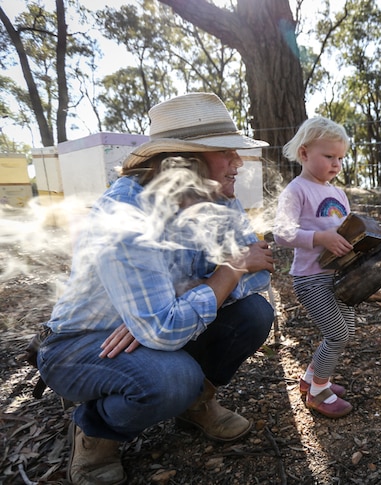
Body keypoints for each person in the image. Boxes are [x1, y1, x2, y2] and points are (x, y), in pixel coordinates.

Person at [36, 93, 275, 485]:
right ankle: (95, 434)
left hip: (145, 327)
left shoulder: (219, 197)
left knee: (254, 315)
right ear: (183, 163)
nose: (238, 162)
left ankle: (195, 405)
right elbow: (170, 324)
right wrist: (226, 271)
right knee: (170, 379)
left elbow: (259, 271)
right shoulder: (125, 216)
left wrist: (175, 302)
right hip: (80, 344)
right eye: (225, 152)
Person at [273, 117, 355, 419]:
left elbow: (346, 228)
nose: (336, 164)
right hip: (311, 279)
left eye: (341, 158)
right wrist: (319, 238)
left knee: (348, 330)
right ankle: (319, 393)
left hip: (339, 277)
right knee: (337, 335)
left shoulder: (337, 193)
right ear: (305, 154)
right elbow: (281, 233)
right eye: (329, 156)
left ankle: (311, 379)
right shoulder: (296, 191)